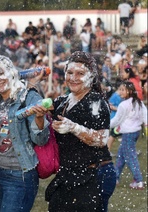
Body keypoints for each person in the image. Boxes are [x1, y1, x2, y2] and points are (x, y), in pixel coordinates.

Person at [0, 55, 50, 211]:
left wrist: (39, 118)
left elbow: (41, 139)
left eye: (1, 72)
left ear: (11, 72)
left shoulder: (29, 97)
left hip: (19, 177)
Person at [46, 51, 112, 211]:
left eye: (80, 73)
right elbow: (44, 109)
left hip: (94, 173)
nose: (73, 77)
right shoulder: (63, 101)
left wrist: (73, 127)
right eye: (69, 72)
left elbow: (101, 139)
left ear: (91, 77)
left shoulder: (96, 102)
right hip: (68, 173)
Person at [111, 81, 147, 190]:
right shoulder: (138, 102)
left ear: (130, 91)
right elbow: (145, 114)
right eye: (120, 89)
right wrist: (145, 123)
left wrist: (105, 125)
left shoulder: (123, 105)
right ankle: (115, 177)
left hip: (128, 134)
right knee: (121, 156)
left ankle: (139, 180)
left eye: (123, 90)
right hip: (135, 133)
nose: (120, 92)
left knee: (130, 158)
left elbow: (117, 120)